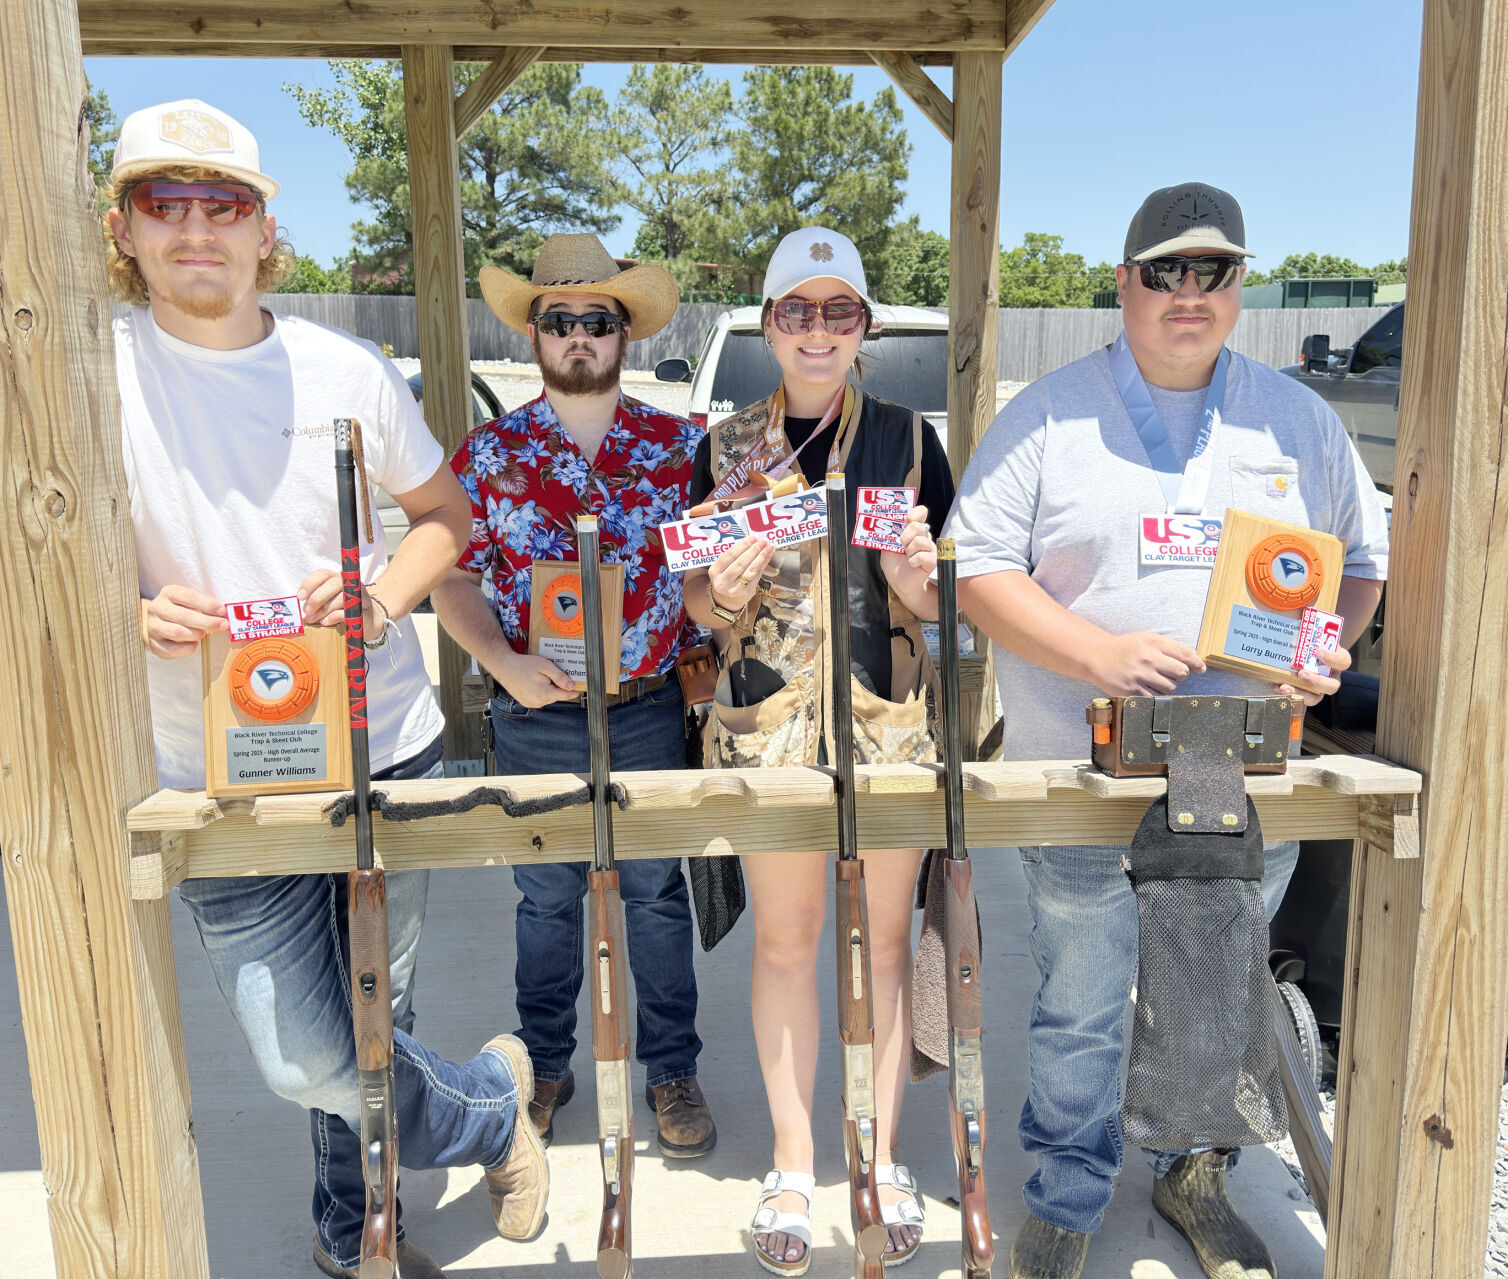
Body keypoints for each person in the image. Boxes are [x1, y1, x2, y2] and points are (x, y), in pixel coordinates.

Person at [106, 99, 547, 1279]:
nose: (196, 226)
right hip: (213, 771)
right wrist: (120, 610)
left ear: (263, 229)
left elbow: (443, 517)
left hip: (379, 743)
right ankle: (495, 1111)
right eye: (165, 200)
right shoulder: (83, 379)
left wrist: (385, 597)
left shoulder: (343, 368)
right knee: (304, 1052)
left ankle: (354, 1222)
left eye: (224, 201)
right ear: (126, 226)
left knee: (370, 1015)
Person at [945, 182, 1389, 1279]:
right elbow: (976, 571)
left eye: (1214, 272)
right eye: (1165, 271)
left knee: (1216, 986)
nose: (1188, 294)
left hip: (1246, 774)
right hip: (1081, 773)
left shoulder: (1296, 418)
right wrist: (1090, 654)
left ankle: (1197, 1175)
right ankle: (1064, 1191)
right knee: (1083, 999)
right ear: (1123, 283)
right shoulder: (1046, 415)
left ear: (1239, 286)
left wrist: (1322, 645)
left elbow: (1359, 565)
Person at [682, 227, 955, 1275]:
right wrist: (726, 589)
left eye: (838, 310)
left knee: (882, 948)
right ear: (767, 324)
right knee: (788, 944)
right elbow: (700, 606)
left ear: (863, 328)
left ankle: (878, 1157)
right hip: (766, 728)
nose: (816, 330)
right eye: (796, 309)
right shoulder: (722, 446)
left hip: (884, 724)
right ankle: (794, 1160)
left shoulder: (908, 440)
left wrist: (916, 578)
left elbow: (939, 604)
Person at [431, 233, 716, 1159]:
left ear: (624, 332)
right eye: (561, 321)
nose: (580, 337)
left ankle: (671, 1068)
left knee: (655, 895)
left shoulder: (684, 451)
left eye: (598, 320)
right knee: (546, 898)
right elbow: (452, 579)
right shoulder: (488, 456)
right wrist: (502, 663)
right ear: (534, 336)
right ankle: (544, 1065)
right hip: (536, 712)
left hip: (646, 704)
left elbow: (725, 572)